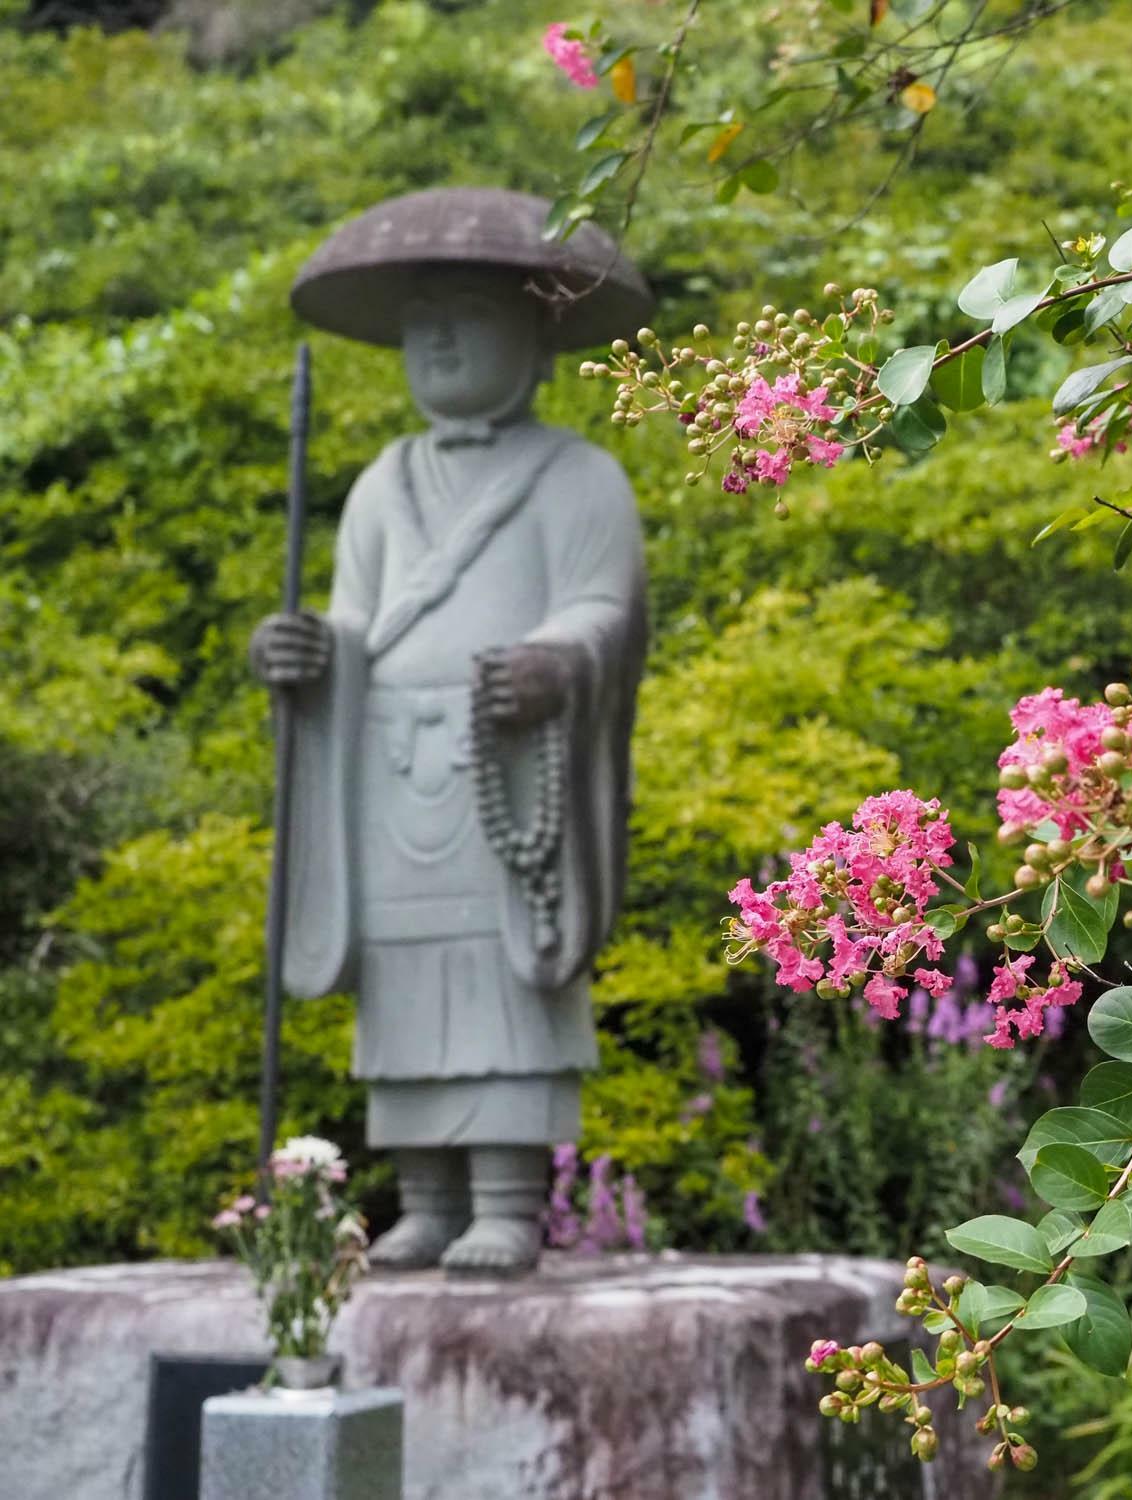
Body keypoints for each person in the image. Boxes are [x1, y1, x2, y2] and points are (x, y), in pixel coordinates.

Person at [250, 188, 652, 1274]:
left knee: (500, 972)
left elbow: (602, 607)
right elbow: (351, 617)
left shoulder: (580, 478)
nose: (433, 337)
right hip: (390, 765)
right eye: (420, 317)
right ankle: (422, 1198)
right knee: (404, 975)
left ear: (533, 333)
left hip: (510, 764)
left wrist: (557, 660)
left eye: (463, 314)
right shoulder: (383, 482)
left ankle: (508, 1202)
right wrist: (302, 654)